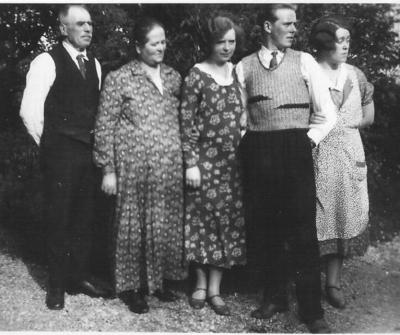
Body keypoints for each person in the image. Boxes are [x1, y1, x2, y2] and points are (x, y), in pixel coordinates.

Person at [236, 4, 337, 333]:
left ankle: (311, 310)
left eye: (296, 23)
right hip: (259, 150)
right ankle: (275, 295)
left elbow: (326, 113)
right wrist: (250, 145)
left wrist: (306, 141)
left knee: (302, 230)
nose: (295, 28)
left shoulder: (305, 61)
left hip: (296, 148)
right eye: (287, 23)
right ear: (268, 26)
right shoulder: (244, 67)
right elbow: (240, 119)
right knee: (265, 227)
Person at [20, 5, 110, 310]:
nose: (87, 28)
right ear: (63, 28)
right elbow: (30, 112)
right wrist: (52, 146)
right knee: (59, 218)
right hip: (60, 153)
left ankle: (77, 277)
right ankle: (56, 286)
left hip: (88, 153)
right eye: (80, 24)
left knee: (84, 218)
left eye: (90, 24)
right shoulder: (47, 61)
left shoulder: (95, 64)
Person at [93, 17, 186, 314]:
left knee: (164, 223)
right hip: (132, 167)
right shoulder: (119, 78)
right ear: (138, 46)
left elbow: (180, 121)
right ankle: (131, 287)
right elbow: (104, 125)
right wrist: (108, 169)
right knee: (132, 227)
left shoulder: (174, 77)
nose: (161, 47)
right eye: (154, 43)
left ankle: (158, 282)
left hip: (168, 167)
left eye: (163, 42)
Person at [180, 16, 246, 316]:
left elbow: (245, 116)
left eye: (231, 41)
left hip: (233, 164)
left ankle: (217, 289)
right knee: (202, 223)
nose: (227, 47)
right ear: (210, 42)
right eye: (221, 42)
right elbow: (187, 124)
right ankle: (201, 283)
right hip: (204, 163)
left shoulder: (237, 73)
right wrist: (191, 163)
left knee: (227, 225)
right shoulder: (196, 75)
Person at [310, 15, 374, 309]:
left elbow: (368, 111)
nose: (346, 46)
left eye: (347, 40)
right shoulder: (309, 72)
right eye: (339, 40)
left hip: (348, 157)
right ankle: (306, 282)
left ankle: (333, 283)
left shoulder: (355, 75)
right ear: (324, 43)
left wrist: (350, 124)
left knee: (341, 217)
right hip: (316, 156)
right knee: (314, 219)